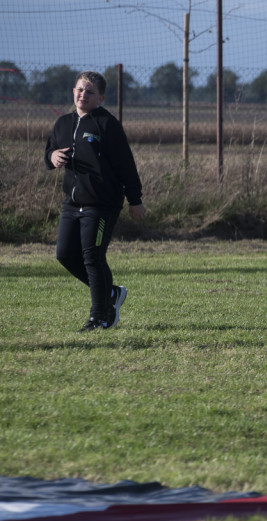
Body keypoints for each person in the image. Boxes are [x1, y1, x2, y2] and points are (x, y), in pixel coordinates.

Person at [45, 71, 146, 331]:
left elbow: (126, 165)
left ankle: (99, 317)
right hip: (72, 203)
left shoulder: (107, 125)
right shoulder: (63, 123)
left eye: (89, 92)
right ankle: (110, 293)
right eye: (79, 90)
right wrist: (52, 157)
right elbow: (50, 151)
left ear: (100, 97)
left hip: (102, 204)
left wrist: (135, 200)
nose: (83, 95)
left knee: (92, 257)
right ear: (73, 92)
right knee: (65, 254)